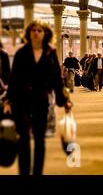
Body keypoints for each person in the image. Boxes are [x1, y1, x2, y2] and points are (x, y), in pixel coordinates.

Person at [2, 20, 72, 175]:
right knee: (24, 138)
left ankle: (38, 172)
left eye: (40, 30)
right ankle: (25, 172)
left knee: (40, 139)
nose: (36, 33)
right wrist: (8, 100)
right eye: (33, 30)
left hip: (41, 100)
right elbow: (14, 79)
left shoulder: (50, 53)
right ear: (29, 33)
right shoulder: (22, 53)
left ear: (45, 34)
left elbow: (56, 79)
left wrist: (63, 100)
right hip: (22, 100)